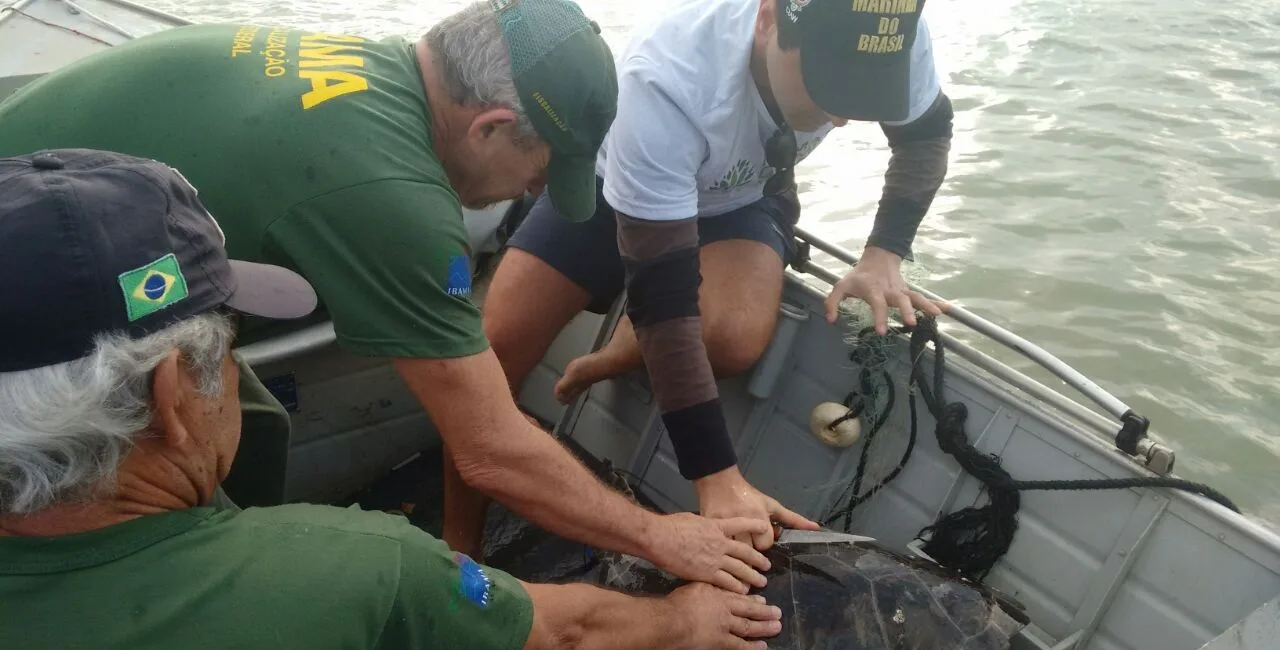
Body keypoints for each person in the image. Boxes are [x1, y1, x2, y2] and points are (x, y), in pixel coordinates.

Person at [0, 0, 778, 594]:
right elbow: (490, 447)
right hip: (35, 292)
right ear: (491, 127)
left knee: (256, 428)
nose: (537, 192)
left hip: (40, 195)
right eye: (542, 172)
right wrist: (662, 538)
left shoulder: (380, 65)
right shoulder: (391, 198)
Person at [0, 149, 786, 650]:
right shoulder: (364, 573)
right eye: (228, 351)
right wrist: (686, 619)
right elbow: (558, 637)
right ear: (171, 398)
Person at [475, 0, 953, 552]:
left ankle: (619, 354)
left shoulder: (894, 33)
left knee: (732, 339)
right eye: (830, 86)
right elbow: (663, 294)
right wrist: (717, 476)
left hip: (741, 195)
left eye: (865, 94)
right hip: (616, 187)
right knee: (490, 356)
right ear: (769, 18)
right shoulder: (669, 76)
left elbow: (927, 130)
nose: (841, 118)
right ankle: (459, 540)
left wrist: (884, 252)